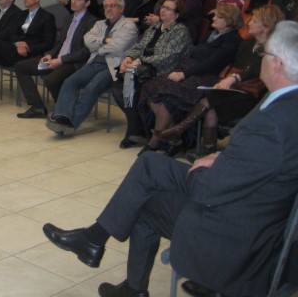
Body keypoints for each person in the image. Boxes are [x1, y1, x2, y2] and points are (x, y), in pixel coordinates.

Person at [42, 21, 298, 297]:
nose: (260, 58)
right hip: (248, 204)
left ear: (277, 64)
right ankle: (95, 241)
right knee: (149, 164)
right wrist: (222, 156)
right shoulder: (287, 107)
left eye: (263, 53)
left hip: (232, 227)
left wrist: (202, 166)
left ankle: (117, 270)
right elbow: (258, 161)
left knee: (145, 203)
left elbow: (209, 189)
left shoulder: (271, 125)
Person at [156, 5, 284, 162]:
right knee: (211, 108)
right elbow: (235, 67)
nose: (249, 23)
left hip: (254, 94)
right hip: (237, 90)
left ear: (266, 26)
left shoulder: (274, 48)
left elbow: (255, 71)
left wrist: (234, 78)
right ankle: (206, 152)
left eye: (255, 21)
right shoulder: (248, 44)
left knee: (210, 99)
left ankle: (180, 130)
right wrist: (228, 79)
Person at [138, 3, 242, 157]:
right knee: (151, 89)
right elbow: (196, 52)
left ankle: (154, 142)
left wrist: (184, 74)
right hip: (191, 70)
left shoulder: (232, 40)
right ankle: (175, 138)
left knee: (168, 99)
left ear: (229, 20)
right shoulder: (212, 33)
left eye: (218, 16)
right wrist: (186, 70)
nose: (214, 18)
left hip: (206, 77)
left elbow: (211, 63)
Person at [47, 0, 138, 136]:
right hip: (94, 62)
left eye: (112, 6)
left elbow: (119, 47)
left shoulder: (129, 26)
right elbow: (87, 41)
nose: (108, 9)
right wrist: (106, 40)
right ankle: (62, 117)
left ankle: (71, 124)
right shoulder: (99, 24)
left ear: (121, 8)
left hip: (112, 66)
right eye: (106, 6)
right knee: (70, 82)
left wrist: (99, 46)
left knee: (91, 89)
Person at [112, 0, 192, 149]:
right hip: (143, 66)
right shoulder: (155, 27)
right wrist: (129, 58)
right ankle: (137, 128)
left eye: (168, 8)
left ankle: (135, 131)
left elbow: (167, 56)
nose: (163, 10)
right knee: (117, 86)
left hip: (164, 68)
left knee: (130, 84)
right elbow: (139, 46)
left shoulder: (180, 30)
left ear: (177, 14)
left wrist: (139, 62)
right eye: (163, 7)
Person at [15, 0, 97, 118]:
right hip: (55, 60)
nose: (73, 1)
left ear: (87, 3)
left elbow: (85, 51)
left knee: (51, 80)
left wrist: (60, 60)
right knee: (21, 67)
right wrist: (49, 55)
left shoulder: (92, 22)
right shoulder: (69, 18)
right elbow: (60, 43)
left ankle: (64, 111)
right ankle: (38, 107)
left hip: (72, 63)